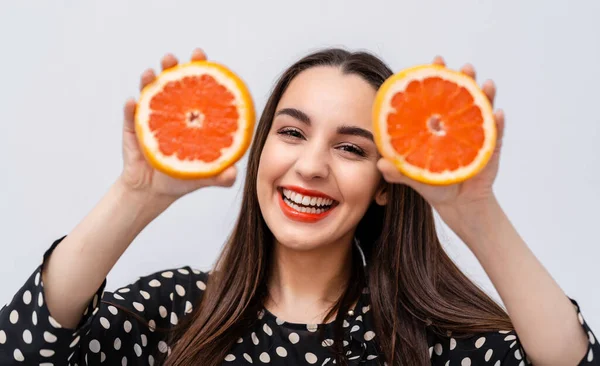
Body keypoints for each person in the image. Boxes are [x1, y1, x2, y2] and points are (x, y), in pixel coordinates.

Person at [0, 47, 597, 366]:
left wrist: (477, 213)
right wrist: (134, 197)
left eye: (350, 147)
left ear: (386, 182)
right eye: (291, 133)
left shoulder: (427, 341)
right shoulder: (176, 314)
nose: (312, 166)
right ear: (260, 153)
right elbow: (24, 349)